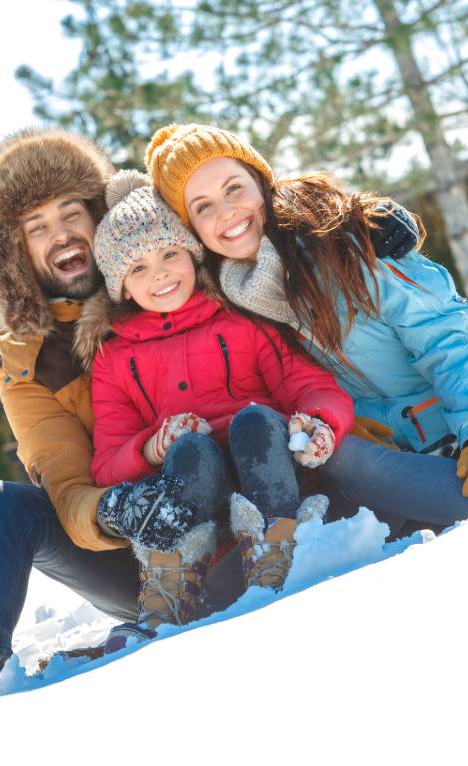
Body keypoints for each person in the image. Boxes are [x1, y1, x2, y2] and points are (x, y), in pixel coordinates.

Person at [0, 128, 416, 714]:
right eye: (36, 227)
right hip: (149, 552)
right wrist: (122, 509)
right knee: (0, 501)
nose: (61, 233)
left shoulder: (171, 263)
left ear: (102, 213)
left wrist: (358, 218)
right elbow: (67, 486)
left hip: (258, 493)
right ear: (16, 256)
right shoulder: (28, 363)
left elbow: (242, 201)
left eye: (71, 211)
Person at [144, 123, 468, 537]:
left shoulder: (345, 243)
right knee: (339, 453)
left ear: (261, 183)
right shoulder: (230, 313)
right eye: (203, 207)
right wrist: (344, 419)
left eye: (234, 188)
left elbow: (449, 335)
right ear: (191, 230)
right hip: (394, 467)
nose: (226, 212)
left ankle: (467, 505)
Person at [73, 170, 354, 636]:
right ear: (120, 286)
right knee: (190, 451)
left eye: (169, 254)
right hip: (194, 493)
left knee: (255, 421)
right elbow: (106, 464)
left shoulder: (240, 318)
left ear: (193, 254)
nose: (159, 273)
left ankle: (277, 548)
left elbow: (309, 384)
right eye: (137, 268)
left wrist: (321, 421)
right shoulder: (114, 358)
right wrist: (150, 448)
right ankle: (174, 584)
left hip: (266, 472)